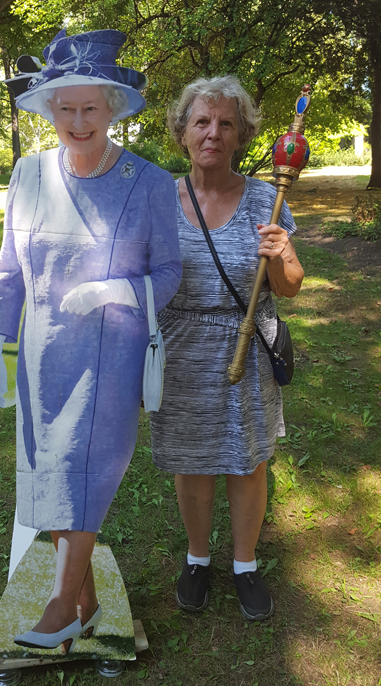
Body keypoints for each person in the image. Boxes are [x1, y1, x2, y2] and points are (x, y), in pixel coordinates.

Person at [0, 29, 181, 653]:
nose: (77, 120)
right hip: (44, 355)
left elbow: (171, 271)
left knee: (85, 471)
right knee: (52, 473)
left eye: (90, 107)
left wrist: (120, 291)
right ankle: (88, 600)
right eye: (64, 107)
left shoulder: (149, 183)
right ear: (48, 111)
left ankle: (61, 608)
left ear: (114, 109)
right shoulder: (28, 173)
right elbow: (9, 269)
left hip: (111, 358)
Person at [150, 75, 304, 621]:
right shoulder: (158, 199)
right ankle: (197, 558)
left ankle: (244, 564)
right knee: (192, 462)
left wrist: (283, 252)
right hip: (180, 343)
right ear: (183, 133)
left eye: (226, 123)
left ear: (240, 136)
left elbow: (289, 285)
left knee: (246, 463)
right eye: (202, 122)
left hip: (247, 345)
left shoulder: (268, 198)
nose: (213, 132)